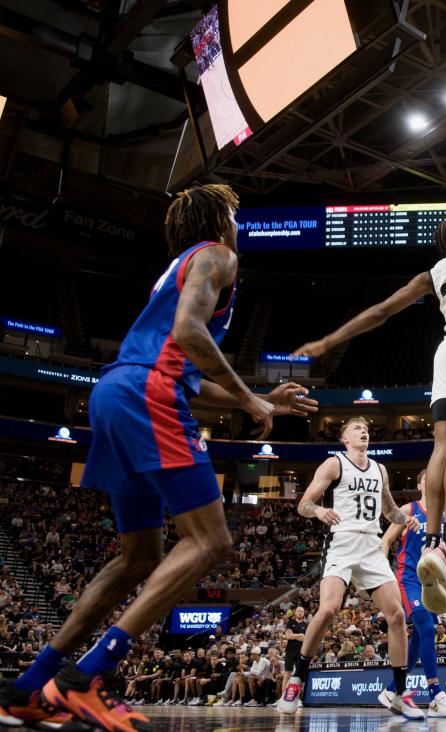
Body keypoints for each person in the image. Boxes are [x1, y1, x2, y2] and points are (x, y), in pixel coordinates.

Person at [0, 184, 319, 731]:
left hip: (116, 392)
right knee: (212, 540)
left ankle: (29, 686)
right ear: (220, 221)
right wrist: (249, 399)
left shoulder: (177, 268)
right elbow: (189, 332)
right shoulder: (219, 256)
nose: (239, 226)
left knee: (139, 557)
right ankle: (85, 678)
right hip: (147, 395)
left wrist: (260, 399)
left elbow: (187, 371)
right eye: (234, 216)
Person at [294, 117, 446, 615]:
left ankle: (434, 538)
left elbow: (380, 312)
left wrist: (330, 338)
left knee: (441, 447)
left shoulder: (430, 275)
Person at [277, 417, 424, 720]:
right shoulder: (334, 464)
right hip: (342, 544)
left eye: (366, 428)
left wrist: (404, 519)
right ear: (344, 439)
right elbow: (303, 503)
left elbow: (388, 509)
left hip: (371, 546)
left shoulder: (380, 469)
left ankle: (399, 693)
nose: (363, 431)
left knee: (397, 615)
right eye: (356, 428)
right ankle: (296, 679)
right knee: (329, 609)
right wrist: (319, 510)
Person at [379, 468, 446, 718]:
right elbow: (385, 541)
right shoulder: (408, 510)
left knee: (419, 635)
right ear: (421, 484)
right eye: (429, 478)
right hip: (408, 579)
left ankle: (393, 689)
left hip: (430, 582)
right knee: (427, 629)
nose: (435, 480)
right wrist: (385, 575)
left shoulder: (445, 516)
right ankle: (436, 695)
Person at [281, 607, 308, 695]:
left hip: (301, 652)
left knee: (299, 674)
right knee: (287, 673)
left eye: (302, 611)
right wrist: (300, 635)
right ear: (295, 613)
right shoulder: (290, 622)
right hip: (290, 651)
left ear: (304, 613)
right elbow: (288, 636)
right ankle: (283, 696)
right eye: (299, 611)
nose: (300, 613)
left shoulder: (306, 624)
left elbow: (306, 639)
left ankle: (297, 697)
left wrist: (294, 635)